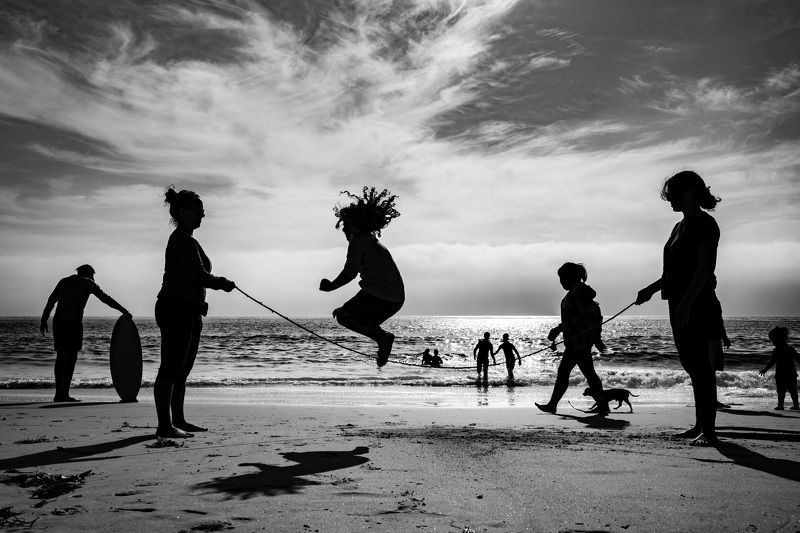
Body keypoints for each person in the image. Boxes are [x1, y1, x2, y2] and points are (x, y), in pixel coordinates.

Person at [635, 170, 722, 446]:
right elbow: (672, 274)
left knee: (701, 366)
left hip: (698, 302)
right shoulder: (678, 227)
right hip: (678, 303)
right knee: (691, 364)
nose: (671, 201)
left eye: (674, 195)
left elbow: (704, 269)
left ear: (690, 193)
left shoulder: (704, 223)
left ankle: (709, 431)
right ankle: (699, 425)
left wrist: (686, 303)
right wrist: (650, 290)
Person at [154, 186, 236, 438]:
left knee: (182, 369)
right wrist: (222, 282)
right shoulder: (182, 240)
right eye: (199, 210)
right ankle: (165, 425)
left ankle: (178, 420)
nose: (203, 215)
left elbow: (193, 278)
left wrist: (201, 301)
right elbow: (198, 275)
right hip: (175, 308)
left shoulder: (189, 239)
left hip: (190, 310)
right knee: (170, 368)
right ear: (183, 211)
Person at [319, 187, 405, 367]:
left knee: (344, 316)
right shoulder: (372, 241)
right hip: (395, 299)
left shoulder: (359, 241)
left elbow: (350, 272)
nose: (344, 229)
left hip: (380, 296)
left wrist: (330, 286)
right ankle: (383, 339)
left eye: (346, 225)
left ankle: (383, 338)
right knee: (349, 315)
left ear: (355, 224)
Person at [40, 265, 131, 402]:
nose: (93, 278)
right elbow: (106, 299)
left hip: (59, 322)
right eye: (93, 275)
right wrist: (124, 311)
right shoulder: (89, 283)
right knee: (71, 358)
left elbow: (51, 301)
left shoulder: (64, 281)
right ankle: (65, 393)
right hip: (74, 323)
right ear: (89, 274)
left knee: (61, 357)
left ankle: (59, 394)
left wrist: (44, 320)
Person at [536, 262, 609, 415]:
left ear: (571, 278)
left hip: (579, 343)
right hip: (577, 342)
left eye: (563, 278)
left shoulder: (580, 293)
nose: (561, 282)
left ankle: (552, 405)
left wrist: (596, 339)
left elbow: (588, 317)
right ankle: (603, 405)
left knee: (565, 372)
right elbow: (572, 319)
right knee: (588, 373)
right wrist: (558, 330)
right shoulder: (574, 293)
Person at [759, 327, 800, 411]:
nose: (773, 343)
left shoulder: (776, 350)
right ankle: (796, 405)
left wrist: (765, 370)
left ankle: (781, 405)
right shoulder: (790, 348)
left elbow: (772, 362)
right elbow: (798, 359)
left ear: (777, 340)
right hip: (791, 373)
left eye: (773, 341)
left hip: (781, 374)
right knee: (793, 390)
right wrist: (765, 369)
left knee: (781, 391)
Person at [710, 295, 732, 409]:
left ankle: (711, 400)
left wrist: (724, 337)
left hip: (713, 338)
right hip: (712, 339)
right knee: (710, 371)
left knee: (710, 371)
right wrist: (724, 337)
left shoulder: (712, 299)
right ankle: (712, 400)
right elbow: (719, 320)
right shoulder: (711, 299)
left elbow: (719, 320)